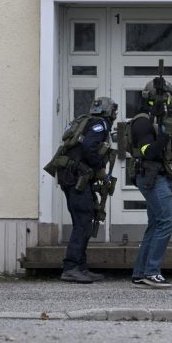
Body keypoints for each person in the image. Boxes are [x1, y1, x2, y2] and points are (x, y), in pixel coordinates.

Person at [127, 77, 172, 289]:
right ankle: (151, 272)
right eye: (165, 96)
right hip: (151, 176)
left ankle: (140, 273)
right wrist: (165, 134)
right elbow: (150, 152)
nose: (167, 100)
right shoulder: (142, 121)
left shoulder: (162, 120)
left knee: (156, 224)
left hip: (161, 177)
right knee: (168, 220)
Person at [56, 97, 118, 284]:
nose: (115, 115)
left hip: (71, 176)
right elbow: (89, 147)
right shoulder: (100, 124)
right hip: (77, 178)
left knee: (83, 220)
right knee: (83, 222)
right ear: (108, 112)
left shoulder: (86, 121)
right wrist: (100, 168)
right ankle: (71, 267)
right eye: (114, 112)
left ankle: (80, 267)